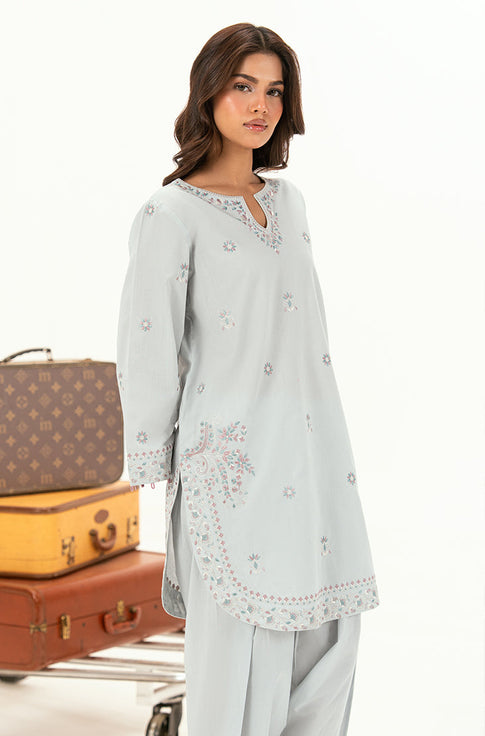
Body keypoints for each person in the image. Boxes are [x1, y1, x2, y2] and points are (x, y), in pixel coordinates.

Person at [116, 22, 381, 735]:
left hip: (312, 453)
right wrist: (151, 456)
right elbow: (148, 343)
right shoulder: (170, 214)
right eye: (242, 86)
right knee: (240, 650)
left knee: (329, 634)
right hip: (229, 464)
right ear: (208, 92)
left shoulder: (289, 203)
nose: (260, 105)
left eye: (274, 90)